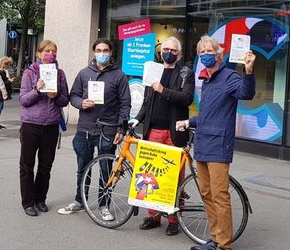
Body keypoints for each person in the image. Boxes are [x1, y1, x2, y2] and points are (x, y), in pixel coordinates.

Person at [176, 35, 255, 250]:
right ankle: (214, 238)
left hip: (219, 146)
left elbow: (245, 93)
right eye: (201, 53)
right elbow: (208, 115)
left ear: (219, 53)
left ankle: (225, 249)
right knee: (207, 194)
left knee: (220, 196)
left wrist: (248, 71)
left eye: (209, 51)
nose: (205, 55)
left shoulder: (230, 77)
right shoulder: (207, 80)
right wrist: (188, 121)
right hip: (203, 143)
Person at [58, 38, 131, 220]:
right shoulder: (84, 73)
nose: (102, 53)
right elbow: (73, 95)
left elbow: (125, 103)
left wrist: (121, 128)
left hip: (109, 129)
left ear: (111, 52)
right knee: (83, 168)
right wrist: (81, 103)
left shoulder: (119, 75)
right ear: (94, 51)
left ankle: (104, 205)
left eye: (106, 50)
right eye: (99, 50)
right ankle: (80, 201)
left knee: (106, 169)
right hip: (85, 127)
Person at [130, 36, 194, 236]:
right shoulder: (153, 70)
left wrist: (163, 90)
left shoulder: (185, 73)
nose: (169, 52)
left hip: (174, 133)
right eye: (166, 49)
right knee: (149, 176)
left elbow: (186, 98)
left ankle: (174, 219)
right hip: (154, 130)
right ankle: (154, 216)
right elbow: (147, 101)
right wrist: (137, 119)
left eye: (173, 50)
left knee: (174, 178)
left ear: (179, 54)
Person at [18, 41, 69, 217]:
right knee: (27, 165)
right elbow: (23, 100)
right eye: (47, 51)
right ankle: (28, 202)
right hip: (31, 124)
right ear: (39, 54)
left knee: (45, 166)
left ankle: (40, 199)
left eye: (54, 51)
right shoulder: (29, 73)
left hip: (51, 125)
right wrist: (36, 90)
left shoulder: (60, 74)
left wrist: (56, 97)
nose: (51, 54)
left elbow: (65, 100)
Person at [0, 56, 15, 129]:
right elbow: (1, 83)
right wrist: (9, 81)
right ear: (4, 64)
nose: (9, 66)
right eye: (8, 64)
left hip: (0, 92)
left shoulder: (1, 71)